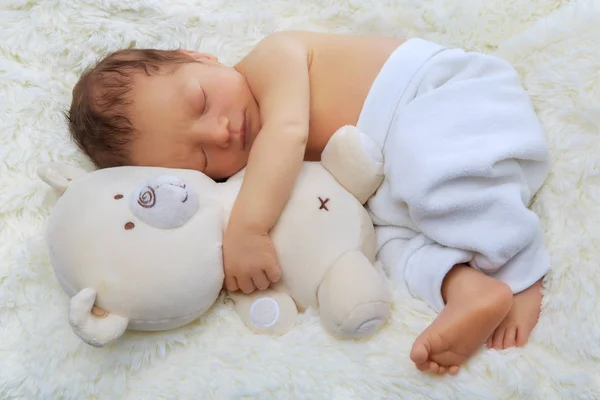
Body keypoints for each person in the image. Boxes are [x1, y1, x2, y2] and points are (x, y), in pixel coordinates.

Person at [66, 30, 551, 375]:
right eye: (201, 157)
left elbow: (289, 133)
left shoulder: (273, 57)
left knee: (424, 162)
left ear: (196, 56)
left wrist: (247, 230)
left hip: (446, 102)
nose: (221, 131)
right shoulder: (245, 175)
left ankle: (517, 265)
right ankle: (465, 287)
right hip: (383, 182)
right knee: (383, 247)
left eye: (200, 102)